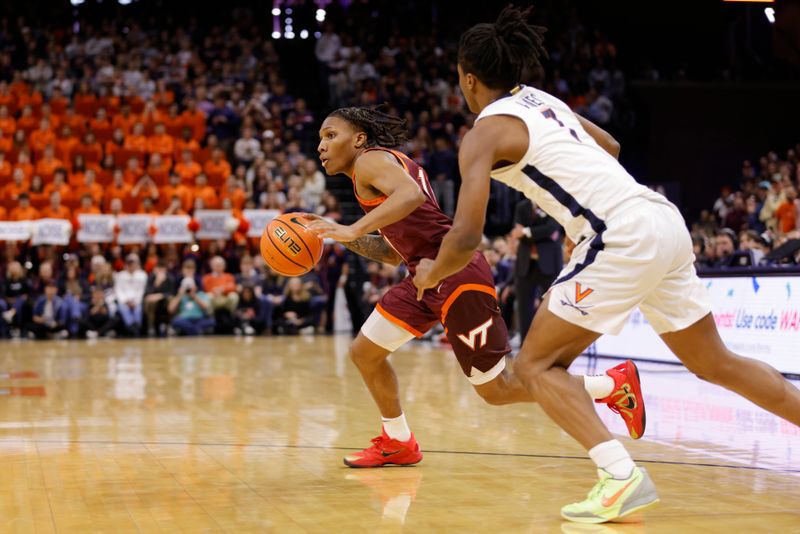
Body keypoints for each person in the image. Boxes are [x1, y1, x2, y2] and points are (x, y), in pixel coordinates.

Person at [412, 5, 800, 523]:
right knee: (716, 363)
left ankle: (620, 476)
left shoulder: (481, 134)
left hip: (621, 234)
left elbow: (464, 236)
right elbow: (612, 146)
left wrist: (431, 273)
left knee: (534, 365)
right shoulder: (543, 101)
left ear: (468, 78)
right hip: (660, 218)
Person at [308, 106, 640, 469]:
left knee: (496, 391)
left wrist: (352, 229)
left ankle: (611, 385)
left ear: (358, 139)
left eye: (330, 135)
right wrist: (342, 237)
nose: (321, 146)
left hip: (457, 275)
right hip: (423, 276)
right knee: (365, 352)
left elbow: (411, 197)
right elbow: (392, 253)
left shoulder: (370, 162)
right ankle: (398, 441)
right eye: (320, 138)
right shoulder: (378, 170)